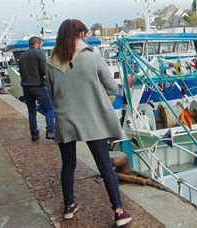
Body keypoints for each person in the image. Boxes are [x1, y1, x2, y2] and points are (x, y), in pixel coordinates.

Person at [46, 19, 132, 226]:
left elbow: (52, 94)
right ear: (82, 34)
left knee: (68, 166)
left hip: (66, 121)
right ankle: (119, 211)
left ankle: (68, 207)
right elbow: (112, 88)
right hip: (93, 121)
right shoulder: (92, 58)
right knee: (104, 166)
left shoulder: (50, 62)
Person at [18, 37, 55, 142]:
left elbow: (21, 72)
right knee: (49, 108)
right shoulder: (39, 54)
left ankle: (34, 134)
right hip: (38, 86)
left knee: (31, 111)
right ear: (37, 44)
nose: (42, 47)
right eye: (41, 45)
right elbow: (45, 71)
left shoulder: (22, 56)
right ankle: (51, 132)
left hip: (26, 87)